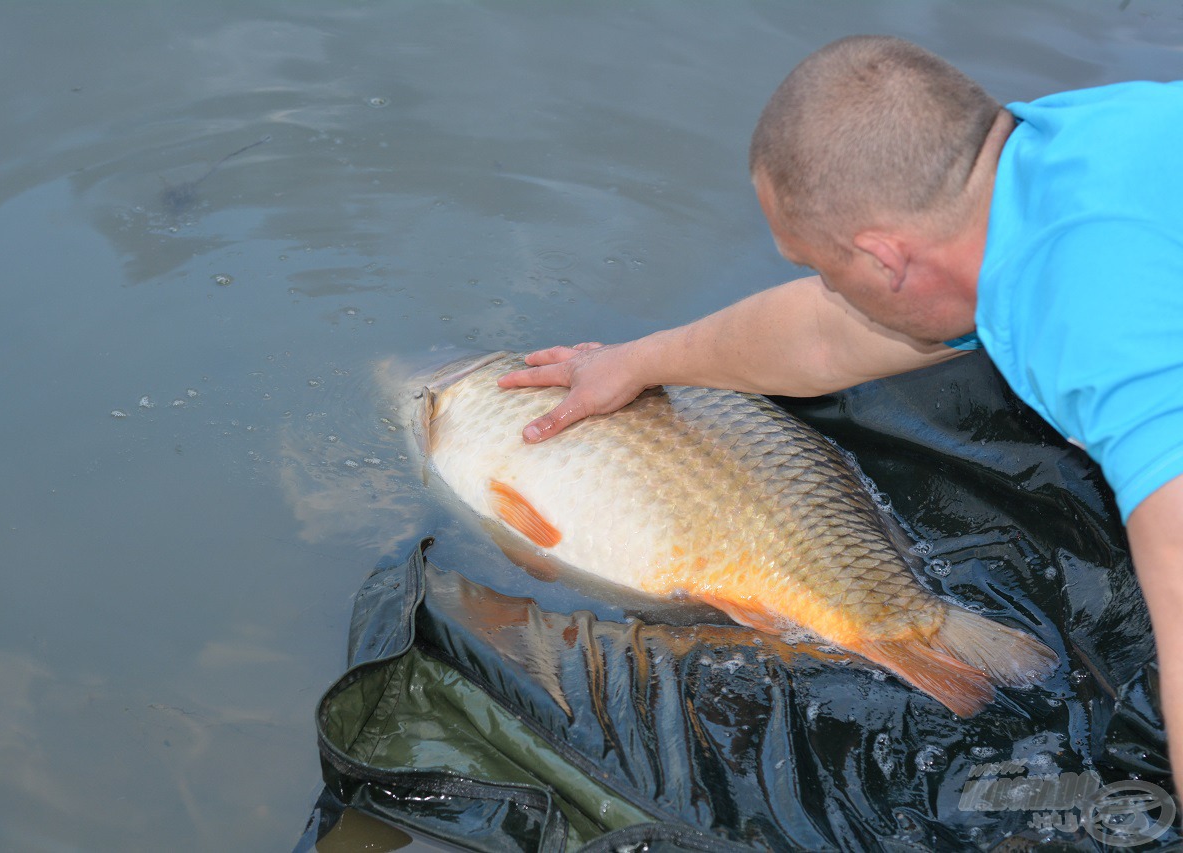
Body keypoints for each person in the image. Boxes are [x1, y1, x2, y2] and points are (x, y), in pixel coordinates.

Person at [497, 36, 1183, 780]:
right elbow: (823, 337)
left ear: (886, 259)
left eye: (824, 269)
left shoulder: (1096, 329)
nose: (826, 291)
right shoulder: (1069, 147)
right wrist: (636, 361)